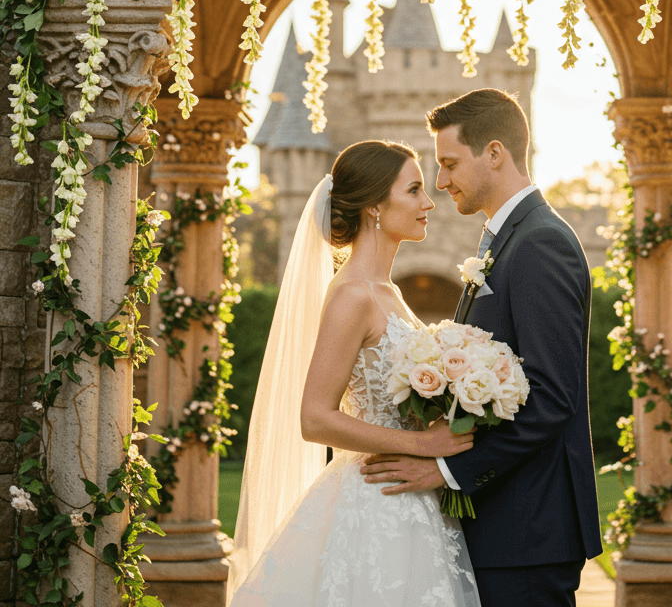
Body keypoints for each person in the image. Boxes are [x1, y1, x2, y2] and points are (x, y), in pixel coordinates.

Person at [360, 88, 602, 607]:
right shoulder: (506, 238)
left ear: (494, 153)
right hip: (503, 524)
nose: (440, 181)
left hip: (527, 529)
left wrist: (446, 469)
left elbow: (553, 396)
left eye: (448, 163)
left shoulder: (540, 243)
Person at [227, 139, 480, 607]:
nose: (428, 202)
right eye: (414, 190)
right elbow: (315, 418)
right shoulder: (352, 295)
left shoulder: (389, 292)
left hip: (414, 500)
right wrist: (423, 445)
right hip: (373, 502)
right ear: (374, 207)